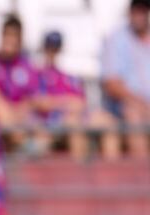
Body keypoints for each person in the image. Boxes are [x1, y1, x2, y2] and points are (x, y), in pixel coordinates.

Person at [35, 30, 120, 160]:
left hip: (74, 116)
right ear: (44, 49)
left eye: (56, 48)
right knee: (73, 123)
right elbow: (40, 103)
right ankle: (80, 173)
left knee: (108, 122)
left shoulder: (67, 76)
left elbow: (80, 103)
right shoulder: (36, 75)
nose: (53, 52)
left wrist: (61, 103)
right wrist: (65, 103)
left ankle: (113, 172)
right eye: (50, 47)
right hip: (51, 122)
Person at [102, 0, 150, 158]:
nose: (140, 15)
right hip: (125, 106)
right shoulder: (117, 39)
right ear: (130, 12)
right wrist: (142, 104)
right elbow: (112, 85)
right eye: (137, 10)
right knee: (134, 115)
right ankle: (142, 176)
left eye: (144, 11)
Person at [0, 15, 39, 149]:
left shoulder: (27, 66)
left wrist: (18, 113)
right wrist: (8, 115)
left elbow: (32, 98)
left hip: (21, 121)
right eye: (7, 34)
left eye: (14, 35)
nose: (10, 39)